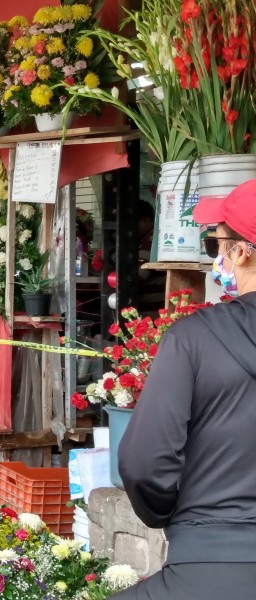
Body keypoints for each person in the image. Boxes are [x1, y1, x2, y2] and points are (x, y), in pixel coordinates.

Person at [115, 179, 256, 598]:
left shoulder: (194, 339)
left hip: (211, 558)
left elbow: (143, 462)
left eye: (217, 245)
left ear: (243, 251)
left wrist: (170, 515)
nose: (216, 258)